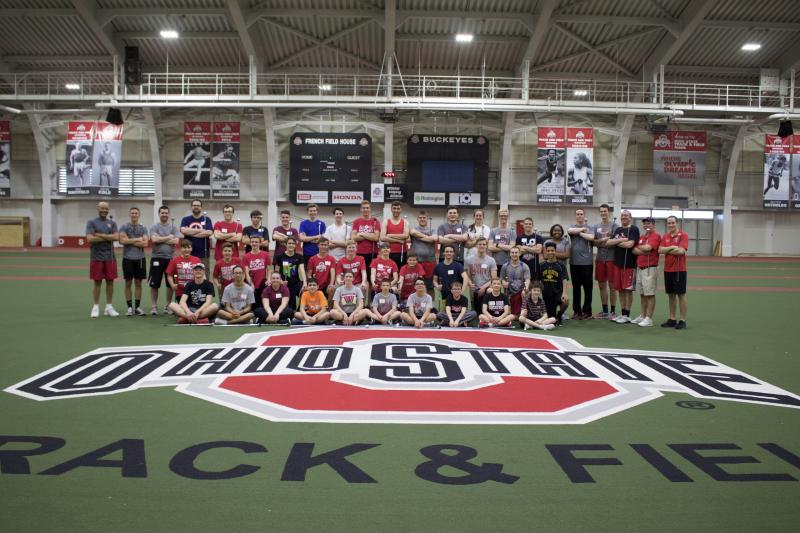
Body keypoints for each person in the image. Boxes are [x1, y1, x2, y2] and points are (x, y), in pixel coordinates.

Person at [86, 201, 119, 318]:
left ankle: (109, 307)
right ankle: (95, 307)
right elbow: (90, 239)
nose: (104, 210)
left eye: (106, 208)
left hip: (110, 257)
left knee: (110, 282)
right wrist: (108, 238)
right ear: (97, 209)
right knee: (97, 282)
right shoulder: (91, 222)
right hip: (96, 257)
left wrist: (99, 235)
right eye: (102, 208)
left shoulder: (112, 223)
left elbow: (116, 237)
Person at [607, 210, 639, 324]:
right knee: (620, 289)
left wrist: (616, 242)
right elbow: (608, 243)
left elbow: (630, 244)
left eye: (626, 215)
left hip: (629, 265)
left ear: (630, 217)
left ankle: (627, 315)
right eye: (622, 216)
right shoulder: (618, 230)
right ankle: (623, 314)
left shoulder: (634, 229)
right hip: (618, 264)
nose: (624, 217)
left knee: (627, 290)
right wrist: (620, 240)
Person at [148, 205, 181, 315]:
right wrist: (168, 237)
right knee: (154, 284)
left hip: (170, 259)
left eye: (166, 213)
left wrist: (160, 238)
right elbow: (154, 240)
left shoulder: (173, 227)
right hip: (156, 258)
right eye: (162, 213)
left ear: (168, 214)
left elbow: (176, 242)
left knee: (169, 284)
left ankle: (168, 306)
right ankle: (154, 306)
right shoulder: (154, 227)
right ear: (159, 214)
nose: (164, 214)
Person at [659, 215, 689, 330]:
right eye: (669, 223)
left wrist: (667, 249)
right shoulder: (665, 236)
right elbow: (660, 250)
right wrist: (672, 247)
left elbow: (681, 251)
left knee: (681, 295)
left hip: (679, 270)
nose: (671, 225)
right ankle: (672, 319)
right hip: (667, 269)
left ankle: (682, 320)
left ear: (677, 223)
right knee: (671, 295)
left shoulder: (683, 235)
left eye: (673, 223)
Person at [631, 216, 661, 327]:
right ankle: (642, 316)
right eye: (645, 224)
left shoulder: (656, 236)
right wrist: (644, 249)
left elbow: (648, 248)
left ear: (653, 225)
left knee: (650, 294)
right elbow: (634, 250)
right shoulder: (642, 237)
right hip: (640, 268)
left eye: (649, 223)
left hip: (650, 268)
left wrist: (643, 249)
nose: (646, 225)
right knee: (642, 294)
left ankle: (649, 318)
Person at [118, 206, 148, 316]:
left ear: (139, 215)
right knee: (128, 283)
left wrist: (129, 241)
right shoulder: (124, 226)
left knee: (138, 283)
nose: (134, 215)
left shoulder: (143, 228)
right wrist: (137, 239)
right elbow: (122, 240)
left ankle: (138, 307)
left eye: (136, 213)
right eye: (132, 213)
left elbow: (145, 243)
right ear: (130, 214)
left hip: (140, 259)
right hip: (127, 259)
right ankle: (130, 307)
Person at [591, 204, 618, 319]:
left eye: (605, 211)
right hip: (600, 259)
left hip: (612, 259)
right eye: (601, 211)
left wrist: (603, 241)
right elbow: (593, 242)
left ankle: (612, 312)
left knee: (612, 286)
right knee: (602, 286)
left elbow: (615, 241)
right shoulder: (596, 226)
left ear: (609, 212)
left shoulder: (615, 225)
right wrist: (603, 240)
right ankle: (605, 311)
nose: (603, 213)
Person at [567, 208, 594, 320]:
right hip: (574, 263)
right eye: (577, 214)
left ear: (584, 215)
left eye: (581, 214)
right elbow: (570, 231)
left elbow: (591, 237)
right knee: (576, 289)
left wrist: (580, 233)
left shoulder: (591, 228)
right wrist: (583, 230)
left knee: (588, 289)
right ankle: (577, 311)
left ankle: (587, 311)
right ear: (575, 216)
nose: (579, 216)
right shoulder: (572, 226)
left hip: (587, 263)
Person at [538, 241, 569, 325]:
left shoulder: (561, 265)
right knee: (551, 319)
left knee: (565, 301)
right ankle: (554, 316)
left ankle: (559, 315)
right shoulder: (541, 265)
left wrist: (564, 293)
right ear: (546, 252)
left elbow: (564, 279)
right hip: (546, 295)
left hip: (557, 293)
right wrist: (539, 293)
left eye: (552, 250)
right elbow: (538, 281)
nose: (550, 252)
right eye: (548, 251)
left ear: (555, 251)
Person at [166, 239, 203, 305]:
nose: (186, 250)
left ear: (191, 249)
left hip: (194, 290)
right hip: (180, 291)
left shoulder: (197, 260)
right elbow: (169, 275)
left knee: (194, 308)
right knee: (184, 308)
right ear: (180, 248)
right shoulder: (174, 261)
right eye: (184, 247)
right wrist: (172, 285)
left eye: (189, 247)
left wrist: (203, 284)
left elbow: (202, 274)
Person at [464, 237, 497, 312]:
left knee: (491, 290)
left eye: (484, 244)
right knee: (477, 312)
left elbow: (494, 278)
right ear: (476, 245)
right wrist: (470, 285)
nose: (482, 246)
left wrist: (484, 287)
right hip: (474, 288)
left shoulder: (491, 260)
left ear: (486, 246)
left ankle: (491, 311)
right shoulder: (468, 259)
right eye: (480, 244)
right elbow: (467, 275)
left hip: (486, 288)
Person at [272, 237, 305, 308]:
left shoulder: (299, 257)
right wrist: (280, 281)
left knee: (305, 292)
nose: (291, 245)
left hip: (296, 283)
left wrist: (305, 283)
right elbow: (276, 272)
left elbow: (302, 270)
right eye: (289, 243)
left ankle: (300, 310)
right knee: (290, 305)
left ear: (295, 245)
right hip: (284, 284)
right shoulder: (279, 257)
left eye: (293, 243)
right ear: (286, 245)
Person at [180, 200, 213, 270]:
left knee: (204, 275)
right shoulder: (186, 219)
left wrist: (189, 232)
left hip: (203, 254)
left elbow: (209, 233)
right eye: (194, 205)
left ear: (201, 207)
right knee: (188, 275)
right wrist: (201, 230)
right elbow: (183, 230)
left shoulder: (207, 219)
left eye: (198, 205)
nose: (196, 207)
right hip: (188, 253)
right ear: (191, 207)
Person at [351, 201, 381, 277]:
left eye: (367, 208)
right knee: (360, 275)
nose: (365, 210)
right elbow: (354, 237)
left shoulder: (375, 221)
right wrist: (370, 235)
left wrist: (361, 233)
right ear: (361, 209)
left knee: (371, 274)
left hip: (372, 253)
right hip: (359, 252)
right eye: (364, 208)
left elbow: (376, 237)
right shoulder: (356, 222)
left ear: (370, 209)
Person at [409, 211, 438, 288]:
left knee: (429, 285)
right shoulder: (414, 229)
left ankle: (429, 299)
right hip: (416, 261)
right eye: (420, 217)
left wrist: (420, 237)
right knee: (416, 284)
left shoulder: (433, 230)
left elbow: (434, 238)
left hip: (430, 261)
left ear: (427, 219)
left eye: (424, 217)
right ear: (417, 219)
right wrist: (428, 238)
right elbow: (413, 232)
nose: (422, 219)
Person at [499, 246, 531, 317]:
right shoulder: (505, 266)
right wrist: (503, 282)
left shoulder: (524, 266)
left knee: (526, 293)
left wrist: (526, 288)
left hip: (520, 292)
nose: (514, 254)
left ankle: (522, 314)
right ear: (510, 254)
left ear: (519, 253)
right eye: (512, 253)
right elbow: (501, 279)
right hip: (508, 293)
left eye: (516, 252)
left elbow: (527, 279)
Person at [380, 201, 410, 266]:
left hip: (402, 252)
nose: (396, 210)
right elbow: (382, 238)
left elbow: (405, 236)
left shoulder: (405, 222)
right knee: (388, 273)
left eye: (398, 208)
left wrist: (389, 235)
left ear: (401, 209)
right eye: (394, 208)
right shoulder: (386, 221)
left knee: (401, 274)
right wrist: (398, 240)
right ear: (391, 209)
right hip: (388, 253)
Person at [489, 208, 516, 272]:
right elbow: (490, 247)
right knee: (496, 281)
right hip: (495, 263)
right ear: (499, 217)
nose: (503, 217)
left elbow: (512, 247)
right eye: (501, 216)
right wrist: (506, 247)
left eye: (505, 216)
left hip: (508, 263)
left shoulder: (512, 231)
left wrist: (497, 245)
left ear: (508, 217)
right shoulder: (493, 231)